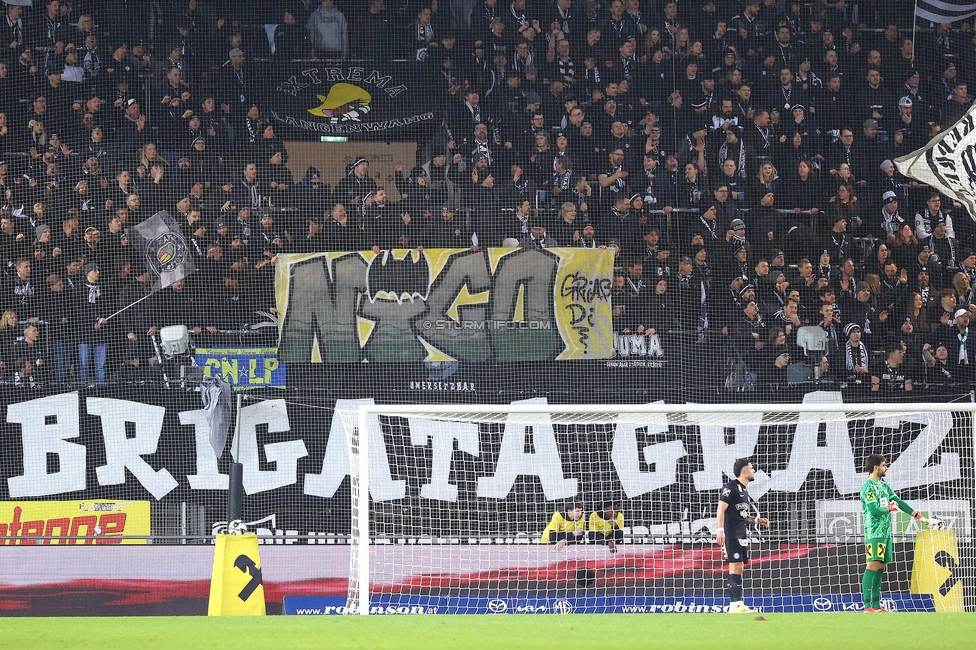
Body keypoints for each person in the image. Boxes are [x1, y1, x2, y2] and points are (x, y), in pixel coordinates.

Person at [860, 454, 939, 612]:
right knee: (872, 565)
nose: (886, 468)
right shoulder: (868, 487)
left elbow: (900, 503)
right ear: (876, 467)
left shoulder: (884, 486)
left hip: (886, 533)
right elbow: (873, 510)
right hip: (874, 533)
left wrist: (921, 518)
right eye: (884, 465)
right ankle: (867, 606)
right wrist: (889, 508)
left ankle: (876, 605)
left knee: (881, 567)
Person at [715, 458, 769, 614]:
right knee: (735, 567)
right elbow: (720, 510)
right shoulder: (730, 487)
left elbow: (742, 516)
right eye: (751, 468)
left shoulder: (744, 491)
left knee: (738, 568)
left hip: (742, 535)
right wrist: (720, 530)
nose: (753, 471)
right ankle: (737, 605)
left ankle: (735, 605)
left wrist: (758, 520)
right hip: (731, 535)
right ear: (744, 471)